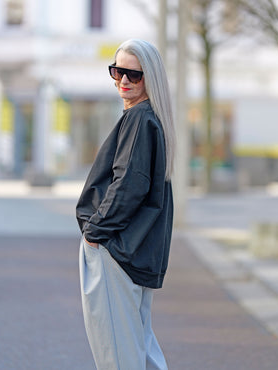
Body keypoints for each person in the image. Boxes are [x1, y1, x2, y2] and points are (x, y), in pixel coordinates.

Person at [76, 38, 175, 370]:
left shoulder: (139, 119)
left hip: (117, 249)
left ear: (151, 77)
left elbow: (129, 185)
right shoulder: (152, 119)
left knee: (118, 353)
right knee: (140, 347)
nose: (124, 81)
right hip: (134, 248)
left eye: (134, 74)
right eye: (117, 72)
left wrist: (95, 232)